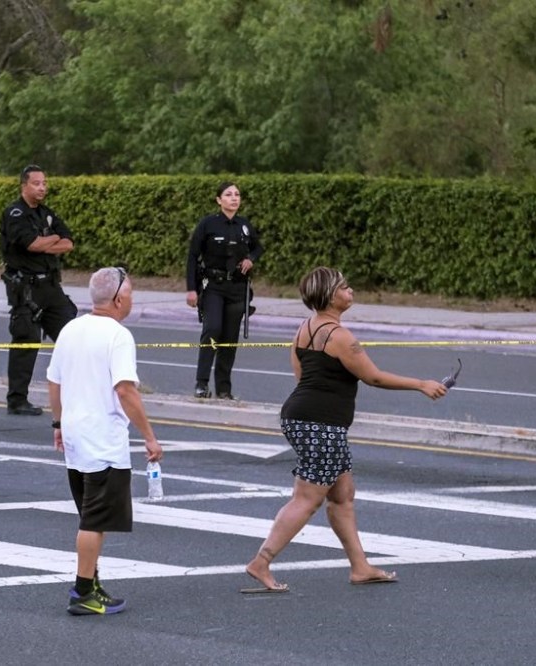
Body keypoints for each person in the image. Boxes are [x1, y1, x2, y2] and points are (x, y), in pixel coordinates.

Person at [243, 266, 447, 593]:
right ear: (330, 296)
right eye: (345, 287)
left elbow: (300, 373)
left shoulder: (305, 329)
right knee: (307, 499)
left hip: (305, 417)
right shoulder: (340, 337)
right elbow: (374, 376)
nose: (350, 291)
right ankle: (261, 561)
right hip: (320, 425)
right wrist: (421, 384)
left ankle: (360, 567)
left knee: (342, 494)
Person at [47, 267, 163, 615]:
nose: (131, 300)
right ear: (116, 299)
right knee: (94, 521)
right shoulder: (118, 335)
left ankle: (91, 582)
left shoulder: (70, 328)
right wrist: (149, 436)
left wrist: (57, 422)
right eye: (129, 295)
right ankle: (83, 592)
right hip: (103, 440)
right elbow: (126, 390)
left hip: (76, 435)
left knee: (89, 515)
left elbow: (54, 381)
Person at [0, 164, 78, 415]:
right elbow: (31, 244)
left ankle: (77, 394)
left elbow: (68, 243)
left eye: (44, 183)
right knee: (26, 342)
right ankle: (17, 400)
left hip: (51, 288)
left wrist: (49, 242)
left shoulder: (46, 213)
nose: (42, 187)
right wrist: (49, 240)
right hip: (27, 288)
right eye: (37, 183)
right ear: (24, 185)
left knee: (72, 338)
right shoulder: (14, 213)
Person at [185, 181, 263, 400]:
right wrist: (191, 289)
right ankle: (201, 384)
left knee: (229, 338)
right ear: (219, 200)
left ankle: (224, 388)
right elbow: (192, 256)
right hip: (214, 287)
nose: (234, 198)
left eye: (237, 194)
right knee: (213, 330)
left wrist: (250, 258)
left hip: (237, 288)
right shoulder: (208, 224)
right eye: (228, 194)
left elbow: (258, 247)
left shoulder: (244, 225)